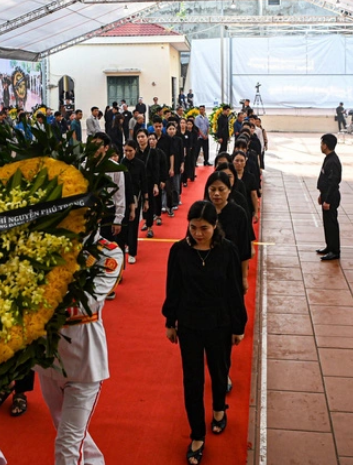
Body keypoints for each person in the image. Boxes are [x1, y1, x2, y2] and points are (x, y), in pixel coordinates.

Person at [162, 200, 247, 465]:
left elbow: (234, 290)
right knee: (193, 380)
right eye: (193, 227)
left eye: (204, 228)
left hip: (220, 323)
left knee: (219, 372)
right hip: (189, 324)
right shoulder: (179, 251)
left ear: (215, 226)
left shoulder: (227, 251)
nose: (197, 233)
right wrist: (170, 320)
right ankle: (197, 434)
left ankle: (219, 408)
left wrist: (238, 326)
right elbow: (173, 286)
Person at [37, 232, 124, 465]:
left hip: (84, 358)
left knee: (67, 445)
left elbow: (86, 302)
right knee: (68, 430)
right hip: (48, 356)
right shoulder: (44, 241)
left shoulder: (108, 251)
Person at [121, 140, 148, 263]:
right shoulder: (121, 163)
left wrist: (146, 200)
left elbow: (144, 183)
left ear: (135, 150)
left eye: (130, 151)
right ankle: (126, 244)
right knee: (124, 224)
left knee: (133, 224)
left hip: (136, 198)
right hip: (123, 198)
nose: (128, 153)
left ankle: (132, 252)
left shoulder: (141, 165)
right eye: (125, 151)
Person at [316, 133, 342, 261]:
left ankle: (335, 250)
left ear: (325, 145)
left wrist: (327, 200)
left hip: (331, 196)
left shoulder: (333, 161)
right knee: (327, 223)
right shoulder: (328, 158)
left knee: (331, 223)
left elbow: (333, 182)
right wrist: (321, 195)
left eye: (322, 144)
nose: (321, 146)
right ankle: (329, 246)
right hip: (326, 194)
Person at [136, 130, 162, 238]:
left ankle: (150, 227)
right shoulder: (135, 152)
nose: (140, 139)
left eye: (142, 136)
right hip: (138, 183)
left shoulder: (153, 152)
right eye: (138, 137)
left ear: (147, 138)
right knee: (140, 204)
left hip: (150, 181)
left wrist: (156, 184)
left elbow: (156, 169)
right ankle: (146, 221)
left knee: (150, 204)